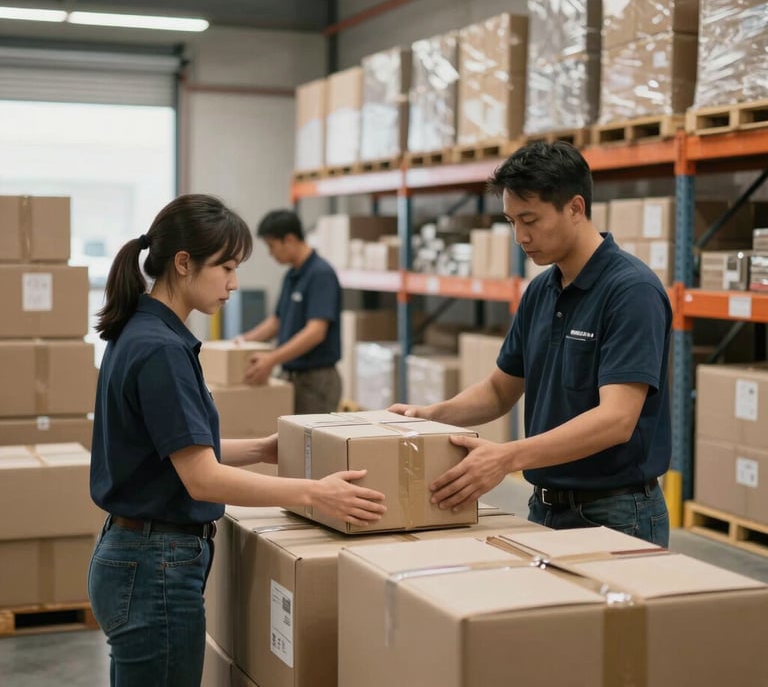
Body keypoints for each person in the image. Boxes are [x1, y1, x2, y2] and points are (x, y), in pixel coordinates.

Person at [88, 194, 386, 687]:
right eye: (225, 267)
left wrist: (263, 449)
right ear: (183, 264)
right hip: (155, 566)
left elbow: (176, 452)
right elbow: (202, 479)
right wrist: (316, 493)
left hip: (139, 557)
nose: (234, 283)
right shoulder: (160, 349)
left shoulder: (141, 331)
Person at [390, 141, 672, 547]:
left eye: (530, 219)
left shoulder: (630, 291)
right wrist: (432, 414)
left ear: (575, 208)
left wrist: (506, 456)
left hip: (616, 513)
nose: (520, 236)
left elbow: (617, 420)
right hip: (544, 508)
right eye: (511, 221)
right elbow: (500, 389)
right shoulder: (542, 290)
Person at [237, 208, 343, 414]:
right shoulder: (292, 276)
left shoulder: (320, 274)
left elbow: (316, 332)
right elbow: (276, 321)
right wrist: (243, 340)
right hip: (292, 376)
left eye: (272, 246)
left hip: (316, 380)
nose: (270, 253)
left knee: (312, 445)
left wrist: (272, 358)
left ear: (290, 240)